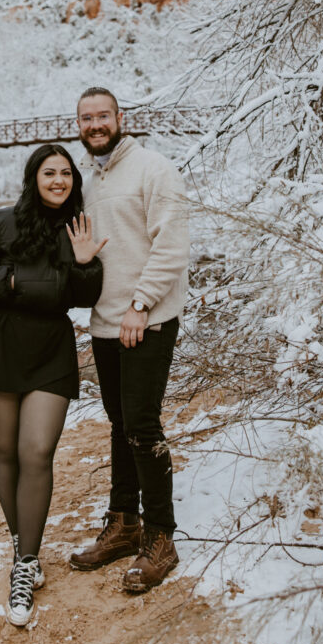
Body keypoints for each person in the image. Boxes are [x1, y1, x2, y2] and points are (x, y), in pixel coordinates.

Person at [0, 143, 105, 626]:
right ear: (33, 177)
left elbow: (85, 297)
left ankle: (25, 562)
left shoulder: (79, 226)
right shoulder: (2, 221)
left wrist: (84, 263)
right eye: (49, 173)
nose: (58, 180)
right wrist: (15, 281)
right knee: (7, 452)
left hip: (50, 348)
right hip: (0, 340)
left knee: (37, 450)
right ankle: (25, 550)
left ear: (74, 181)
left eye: (66, 173)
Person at [69, 87, 189, 592]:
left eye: (103, 116)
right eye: (85, 118)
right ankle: (124, 523)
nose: (95, 124)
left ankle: (161, 536)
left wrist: (141, 305)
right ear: (78, 125)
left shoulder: (153, 168)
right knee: (120, 424)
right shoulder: (89, 182)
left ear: (120, 118)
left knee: (142, 423)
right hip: (105, 323)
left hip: (147, 319)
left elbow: (173, 244)